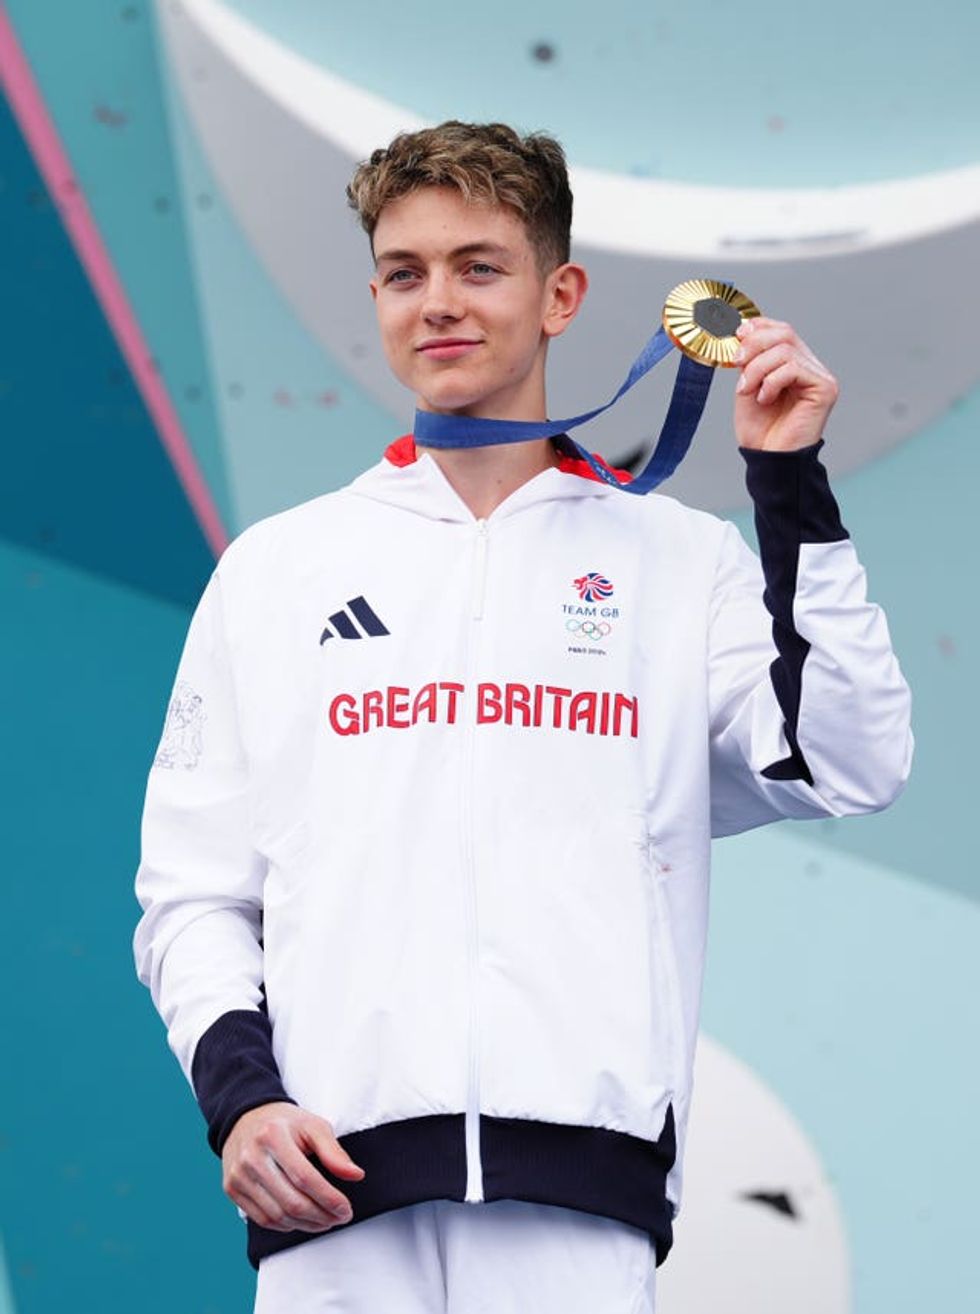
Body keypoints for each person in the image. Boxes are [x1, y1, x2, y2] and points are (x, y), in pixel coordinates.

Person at [133, 121, 912, 1313]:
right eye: (404, 272)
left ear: (559, 295)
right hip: (332, 1191)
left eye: (477, 266)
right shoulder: (276, 570)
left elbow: (849, 759)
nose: (436, 302)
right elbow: (193, 892)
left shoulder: (676, 561)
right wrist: (242, 1102)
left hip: (580, 1190)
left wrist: (786, 482)